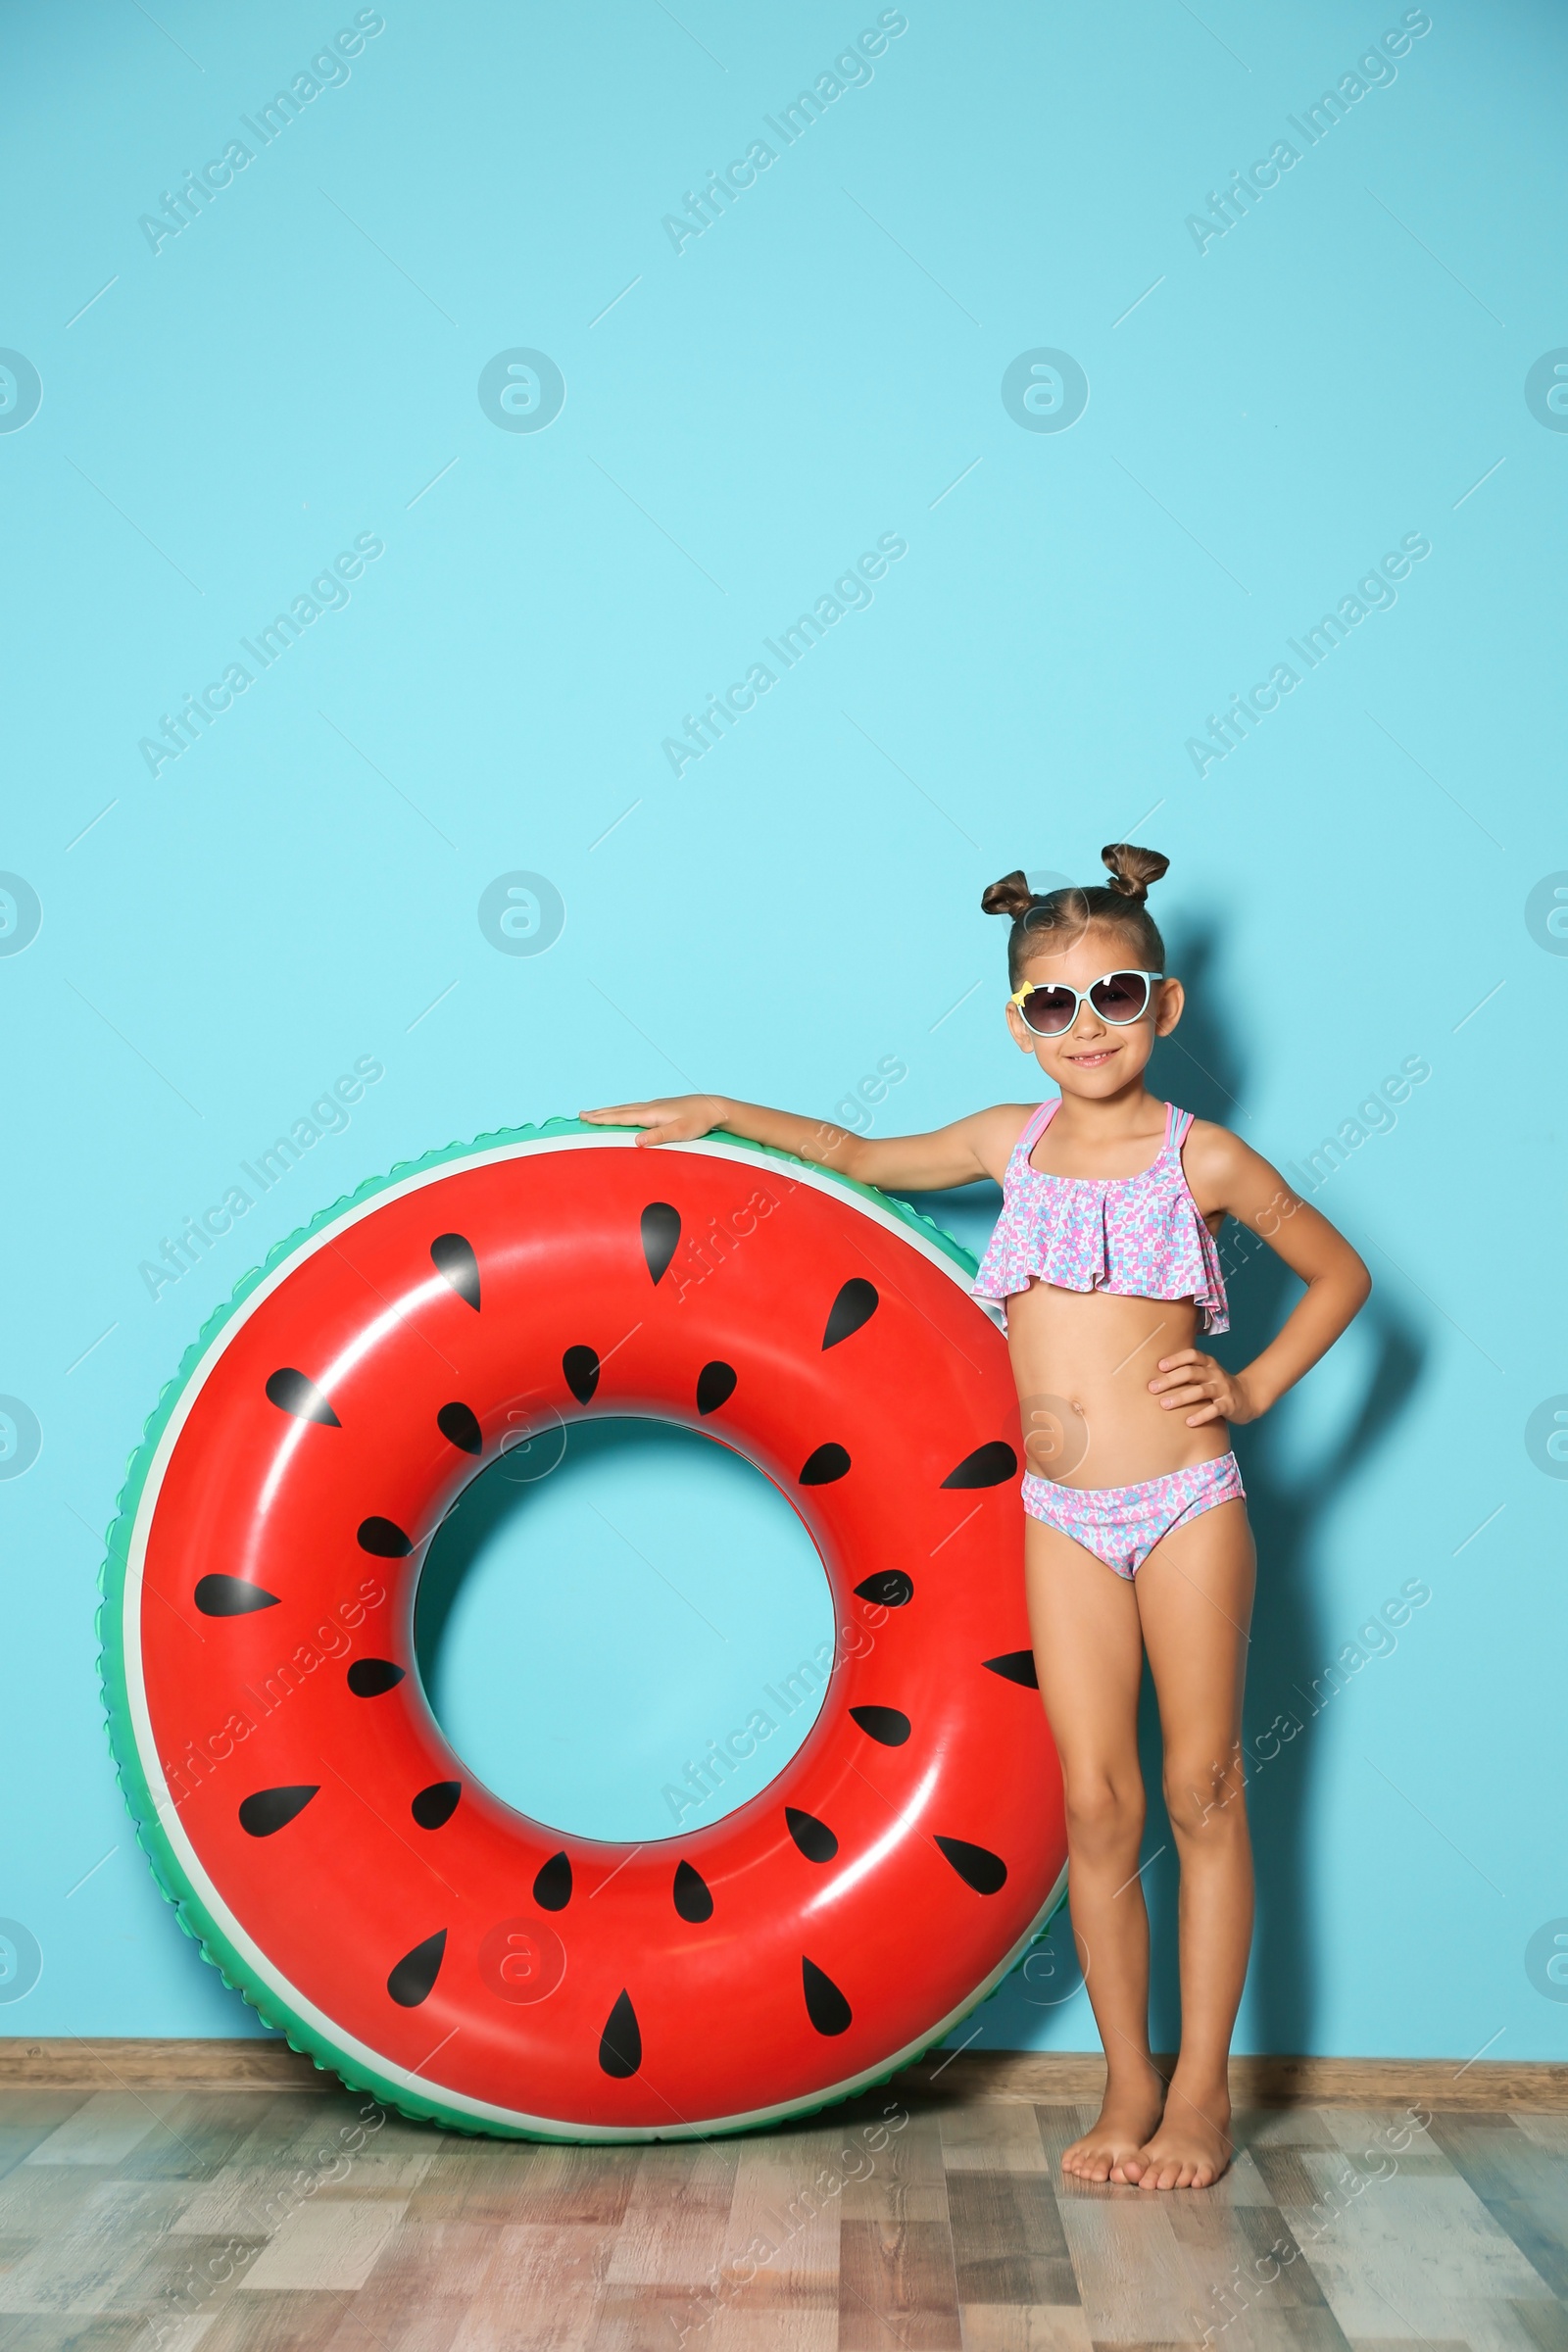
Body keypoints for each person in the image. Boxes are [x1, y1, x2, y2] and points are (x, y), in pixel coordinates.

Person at [581, 843, 1370, 2189]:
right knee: (1098, 1805)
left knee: (1205, 1790)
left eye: (1117, 996)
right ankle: (1126, 2088)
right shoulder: (1006, 1145)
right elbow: (853, 1154)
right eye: (1053, 1006)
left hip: (1189, 1503)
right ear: (1020, 1025)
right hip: (1060, 1515)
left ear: (1165, 1007)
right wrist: (721, 1109)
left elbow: (1342, 1274)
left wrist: (1250, 1384)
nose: (1087, 1028)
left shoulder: (1207, 1157)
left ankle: (1201, 2100)